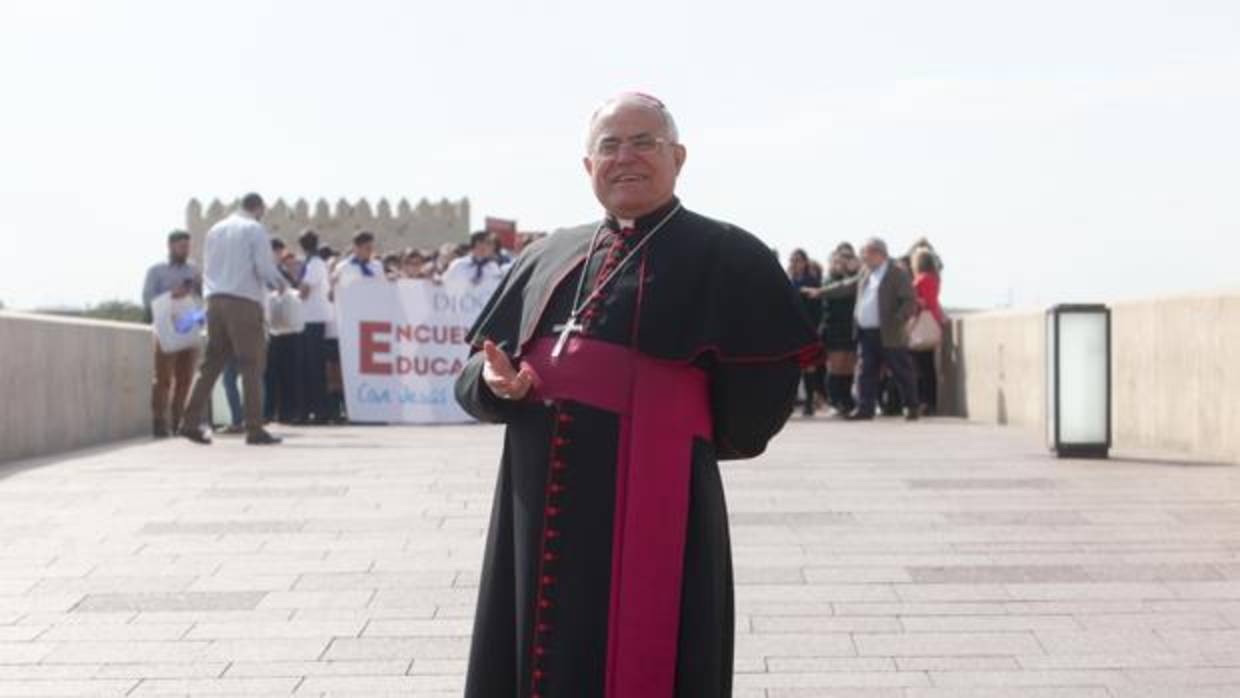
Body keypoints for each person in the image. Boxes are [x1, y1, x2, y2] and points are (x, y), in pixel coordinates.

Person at [455, 93, 817, 698]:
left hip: (657, 489)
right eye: (609, 145)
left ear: (677, 156)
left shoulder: (729, 254)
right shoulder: (546, 253)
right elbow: (475, 373)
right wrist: (496, 386)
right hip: (535, 497)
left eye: (643, 142)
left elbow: (761, 394)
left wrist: (675, 429)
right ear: (587, 165)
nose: (626, 157)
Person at [179, 193, 285, 445]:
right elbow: (263, 266)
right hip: (244, 301)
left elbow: (209, 267)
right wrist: (279, 284)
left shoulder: (215, 229)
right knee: (251, 365)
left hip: (214, 301)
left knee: (211, 365)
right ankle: (254, 428)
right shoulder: (254, 228)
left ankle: (189, 422)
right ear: (259, 208)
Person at [808, 237, 919, 421]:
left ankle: (911, 406)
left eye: (866, 253)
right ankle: (864, 408)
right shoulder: (866, 272)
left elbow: (909, 301)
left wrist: (898, 319)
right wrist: (821, 292)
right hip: (866, 333)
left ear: (878, 253)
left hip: (889, 333)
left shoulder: (897, 273)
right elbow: (846, 286)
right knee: (865, 372)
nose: (863, 257)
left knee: (901, 371)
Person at [141, 230, 202, 437]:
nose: (185, 250)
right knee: (163, 378)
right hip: (166, 330)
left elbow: (201, 297)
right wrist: (171, 295)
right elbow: (148, 299)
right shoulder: (156, 271)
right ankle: (159, 422)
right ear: (170, 246)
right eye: (181, 246)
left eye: (187, 246)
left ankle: (179, 422)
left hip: (189, 326)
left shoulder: (194, 270)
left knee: (185, 379)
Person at [814, 244, 861, 415]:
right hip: (834, 327)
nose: (845, 260)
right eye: (841, 257)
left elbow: (855, 287)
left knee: (849, 366)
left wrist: (854, 271)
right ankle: (834, 400)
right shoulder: (829, 279)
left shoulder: (855, 277)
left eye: (848, 257)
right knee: (836, 366)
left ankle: (846, 401)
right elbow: (834, 292)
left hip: (851, 327)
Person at [297, 229, 331, 423]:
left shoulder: (315, 264)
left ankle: (319, 411)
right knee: (312, 367)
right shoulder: (314, 263)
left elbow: (304, 291)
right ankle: (316, 409)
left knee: (313, 367)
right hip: (311, 319)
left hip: (313, 319)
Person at [787, 248, 824, 416]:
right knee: (791, 368)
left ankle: (809, 402)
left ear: (805, 262)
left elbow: (818, 309)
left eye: (798, 260)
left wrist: (815, 329)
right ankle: (790, 402)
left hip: (807, 329)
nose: (795, 263)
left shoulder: (812, 282)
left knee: (809, 367)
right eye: (792, 260)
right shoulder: (786, 281)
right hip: (789, 330)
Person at [911, 247, 946, 415]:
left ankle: (924, 401)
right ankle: (929, 401)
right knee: (927, 366)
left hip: (922, 323)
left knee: (921, 366)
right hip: (933, 321)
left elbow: (923, 302)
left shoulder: (922, 279)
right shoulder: (934, 278)